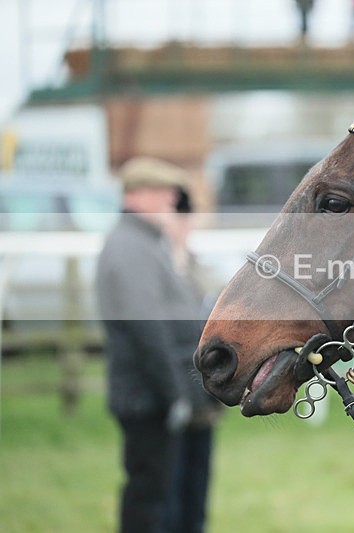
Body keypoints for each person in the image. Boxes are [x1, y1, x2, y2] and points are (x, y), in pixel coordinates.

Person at [96, 156, 203, 533]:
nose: (172, 203)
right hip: (148, 398)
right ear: (137, 195)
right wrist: (175, 394)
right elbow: (147, 330)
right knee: (149, 502)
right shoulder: (130, 248)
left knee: (163, 498)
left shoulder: (143, 243)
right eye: (164, 194)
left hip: (156, 394)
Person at [162, 188, 224, 533]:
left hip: (203, 400)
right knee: (168, 494)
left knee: (195, 492)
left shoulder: (201, 270)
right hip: (170, 393)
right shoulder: (159, 270)